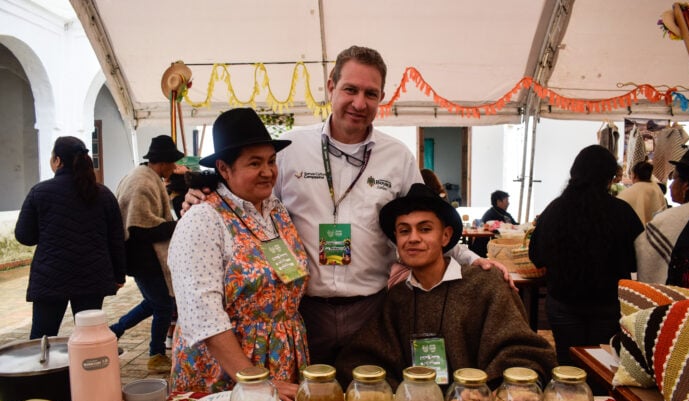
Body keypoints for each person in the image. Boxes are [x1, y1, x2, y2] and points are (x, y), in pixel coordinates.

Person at [185, 45, 510, 365]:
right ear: (331, 87)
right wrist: (207, 194)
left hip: (372, 309)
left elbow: (429, 221)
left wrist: (471, 259)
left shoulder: (397, 157)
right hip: (303, 312)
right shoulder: (290, 149)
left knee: (367, 400)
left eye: (371, 93)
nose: (359, 102)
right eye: (350, 89)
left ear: (381, 97)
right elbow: (254, 202)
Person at [335, 184, 557, 389]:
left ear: (445, 236)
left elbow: (523, 352)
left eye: (424, 229)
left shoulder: (485, 285)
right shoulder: (399, 297)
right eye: (404, 231)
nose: (413, 239)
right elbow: (361, 357)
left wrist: (483, 396)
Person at [168, 108, 309, 401]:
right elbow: (202, 315)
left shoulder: (275, 210)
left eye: (271, 161)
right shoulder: (203, 219)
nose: (268, 171)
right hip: (228, 371)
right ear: (224, 168)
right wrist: (256, 380)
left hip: (280, 359)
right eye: (254, 163)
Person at [529, 145, 643, 366]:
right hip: (609, 304)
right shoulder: (622, 212)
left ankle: (570, 399)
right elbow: (636, 259)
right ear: (609, 178)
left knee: (568, 364)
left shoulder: (555, 210)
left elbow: (537, 255)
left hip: (564, 302)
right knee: (604, 365)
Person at [15, 136, 126, 339]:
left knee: (43, 338)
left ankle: (46, 370)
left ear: (57, 160)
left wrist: (50, 232)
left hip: (50, 276)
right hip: (92, 275)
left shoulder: (40, 192)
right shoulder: (103, 194)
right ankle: (89, 371)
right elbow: (116, 239)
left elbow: (24, 236)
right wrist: (119, 275)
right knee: (90, 335)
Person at [110, 135, 181, 372]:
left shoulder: (146, 176)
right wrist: (178, 225)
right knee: (162, 305)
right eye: (172, 163)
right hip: (142, 257)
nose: (173, 168)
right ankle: (156, 354)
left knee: (154, 302)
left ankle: (115, 331)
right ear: (163, 162)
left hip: (142, 256)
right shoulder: (142, 182)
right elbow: (139, 227)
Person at [635, 146, 689, 287]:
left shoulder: (666, 221)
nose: (670, 186)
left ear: (686, 185)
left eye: (674, 178)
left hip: (677, 303)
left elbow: (647, 260)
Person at [470, 190, 518, 257]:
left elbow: (515, 226)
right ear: (498, 202)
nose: (508, 203)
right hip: (486, 252)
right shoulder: (490, 215)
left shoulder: (505, 214)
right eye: (506, 201)